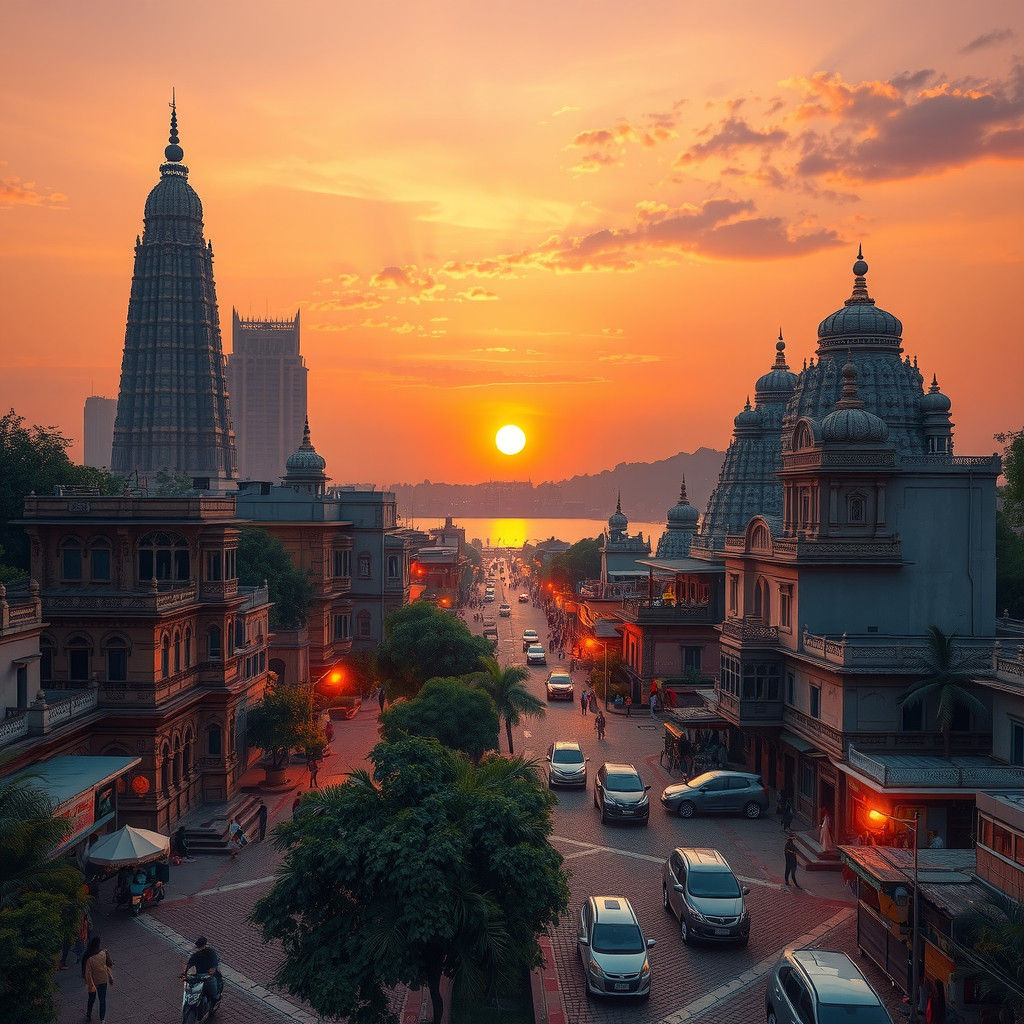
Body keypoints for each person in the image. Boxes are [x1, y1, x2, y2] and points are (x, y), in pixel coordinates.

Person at [184, 935, 222, 1008]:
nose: (198, 948)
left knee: (212, 985)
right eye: (198, 947)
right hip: (199, 975)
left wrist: (213, 968)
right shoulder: (195, 955)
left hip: (209, 975)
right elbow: (190, 964)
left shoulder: (210, 952)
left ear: (204, 945)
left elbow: (215, 961)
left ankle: (215, 998)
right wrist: (186, 973)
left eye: (200, 947)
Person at [83, 936, 113, 1023]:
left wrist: (90, 984)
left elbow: (87, 973)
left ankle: (89, 1014)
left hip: (92, 982)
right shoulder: (104, 952)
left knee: (91, 999)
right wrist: (111, 976)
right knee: (102, 1000)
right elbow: (109, 964)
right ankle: (102, 1020)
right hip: (103, 980)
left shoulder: (88, 957)